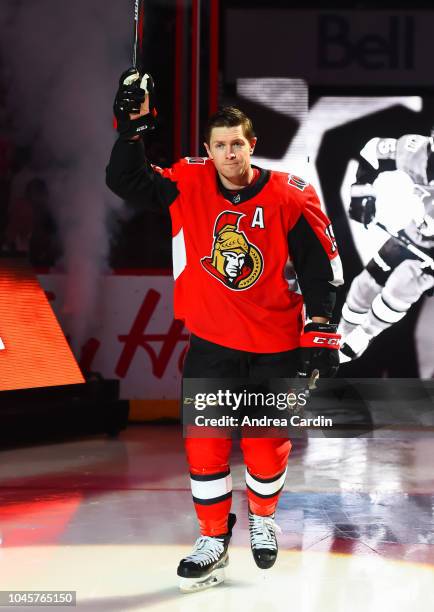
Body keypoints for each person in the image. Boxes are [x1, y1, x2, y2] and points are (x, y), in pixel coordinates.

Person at [106, 70, 343, 592]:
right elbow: (126, 182)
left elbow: (322, 264)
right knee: (206, 447)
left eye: (237, 144)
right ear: (209, 150)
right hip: (211, 345)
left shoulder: (289, 195)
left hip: (275, 348)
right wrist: (131, 128)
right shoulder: (187, 183)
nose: (229, 154)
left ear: (252, 146)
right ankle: (213, 538)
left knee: (264, 449)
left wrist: (322, 329)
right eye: (219, 145)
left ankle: (262, 518)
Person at [339, 133, 434, 363]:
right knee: (364, 285)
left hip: (430, 254)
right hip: (413, 234)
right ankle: (340, 333)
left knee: (398, 289)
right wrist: (362, 194)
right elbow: (373, 151)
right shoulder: (415, 150)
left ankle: (367, 333)